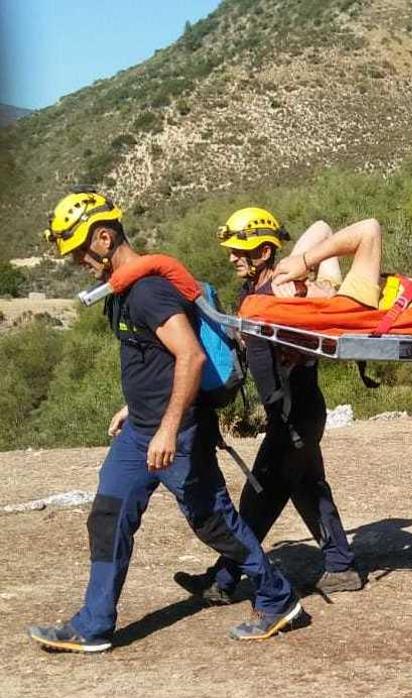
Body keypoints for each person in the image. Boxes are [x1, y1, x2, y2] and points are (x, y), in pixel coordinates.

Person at [27, 191, 304, 653]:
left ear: (103, 236)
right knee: (108, 516)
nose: (77, 260)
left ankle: (277, 597)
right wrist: (133, 407)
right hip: (140, 429)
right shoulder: (121, 291)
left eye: (79, 249)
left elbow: (190, 357)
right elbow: (148, 361)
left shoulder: (149, 291)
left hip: (175, 432)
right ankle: (93, 624)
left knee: (212, 521)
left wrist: (169, 428)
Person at [174, 209, 364, 604]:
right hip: (300, 412)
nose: (231, 257)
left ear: (263, 252)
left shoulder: (278, 295)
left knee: (258, 500)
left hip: (294, 414)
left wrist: (299, 266)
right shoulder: (261, 293)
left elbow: (322, 230)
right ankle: (340, 564)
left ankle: (223, 581)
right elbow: (323, 227)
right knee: (307, 489)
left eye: (239, 250)